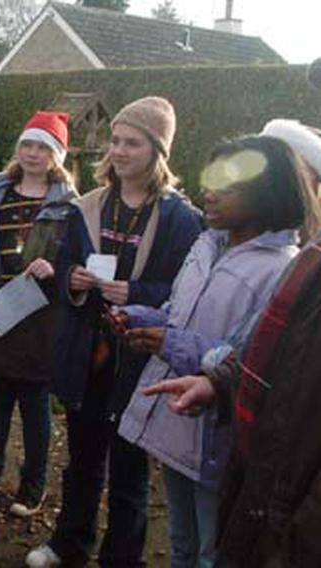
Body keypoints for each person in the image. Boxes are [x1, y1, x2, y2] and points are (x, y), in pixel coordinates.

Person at [142, 57, 321, 567]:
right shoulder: (208, 244)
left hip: (231, 447)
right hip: (195, 415)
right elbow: (265, 354)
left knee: (210, 545)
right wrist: (215, 377)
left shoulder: (284, 265)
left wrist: (179, 349)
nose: (210, 193)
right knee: (187, 542)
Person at [26, 96, 202, 568]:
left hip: (138, 358)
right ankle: (70, 543)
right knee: (81, 461)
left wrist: (138, 291)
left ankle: (122, 558)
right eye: (116, 141)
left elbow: (189, 291)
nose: (119, 151)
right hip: (87, 353)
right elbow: (62, 269)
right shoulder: (85, 208)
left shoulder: (181, 219)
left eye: (133, 143)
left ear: (158, 152)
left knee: (129, 470)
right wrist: (73, 281)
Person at [0, 111, 78, 517]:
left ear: (56, 154)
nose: (33, 153)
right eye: (27, 144)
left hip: (41, 322)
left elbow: (82, 258)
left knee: (36, 408)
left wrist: (57, 269)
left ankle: (32, 485)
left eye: (43, 147)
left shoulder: (71, 206)